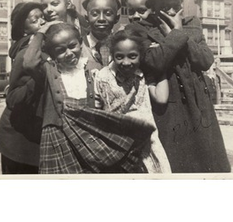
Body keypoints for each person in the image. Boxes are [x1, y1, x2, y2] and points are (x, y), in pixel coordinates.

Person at [23, 23, 156, 174]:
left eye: (72, 46)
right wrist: (41, 33)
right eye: (60, 51)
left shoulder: (93, 67)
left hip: (89, 135)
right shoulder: (49, 70)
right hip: (58, 136)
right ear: (52, 53)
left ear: (80, 43)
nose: (68, 53)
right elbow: (29, 63)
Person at [143, 0, 231, 173]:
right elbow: (154, 62)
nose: (173, 12)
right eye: (166, 7)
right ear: (153, 6)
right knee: (176, 163)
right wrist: (176, 36)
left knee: (208, 161)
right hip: (168, 106)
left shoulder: (192, 24)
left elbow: (205, 60)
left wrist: (179, 32)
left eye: (176, 5)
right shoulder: (141, 29)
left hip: (199, 101)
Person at [94, 29, 171, 173]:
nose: (126, 62)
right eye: (119, 57)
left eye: (132, 56)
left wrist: (160, 65)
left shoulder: (142, 75)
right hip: (117, 142)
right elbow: (98, 109)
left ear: (140, 56)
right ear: (112, 55)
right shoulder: (103, 77)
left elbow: (161, 98)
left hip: (146, 142)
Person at [0, 2, 48, 174]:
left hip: (27, 136)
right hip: (19, 140)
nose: (41, 22)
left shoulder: (38, 46)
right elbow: (13, 98)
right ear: (23, 29)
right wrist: (39, 78)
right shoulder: (26, 52)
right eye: (35, 20)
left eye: (42, 17)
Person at [81, 0, 121, 70]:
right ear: (86, 18)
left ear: (117, 18)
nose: (101, 19)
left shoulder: (122, 45)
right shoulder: (79, 46)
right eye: (95, 14)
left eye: (108, 13)